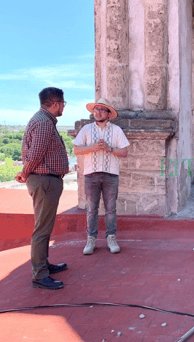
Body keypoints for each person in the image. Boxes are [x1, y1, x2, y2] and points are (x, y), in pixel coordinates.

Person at [15, 87, 69, 290]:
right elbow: (36, 154)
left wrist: (26, 173)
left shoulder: (42, 120)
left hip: (45, 180)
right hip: (45, 181)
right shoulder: (45, 123)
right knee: (42, 229)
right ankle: (39, 274)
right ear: (55, 103)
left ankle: (43, 265)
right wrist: (26, 172)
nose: (64, 106)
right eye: (63, 103)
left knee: (44, 226)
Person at [73, 98, 129, 255]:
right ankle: (91, 239)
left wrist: (109, 148)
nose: (98, 112)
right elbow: (76, 150)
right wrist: (93, 147)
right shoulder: (86, 129)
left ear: (109, 114)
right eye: (96, 109)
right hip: (91, 174)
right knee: (91, 209)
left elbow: (124, 152)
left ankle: (111, 238)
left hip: (111, 174)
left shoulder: (117, 130)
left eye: (102, 109)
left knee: (111, 209)